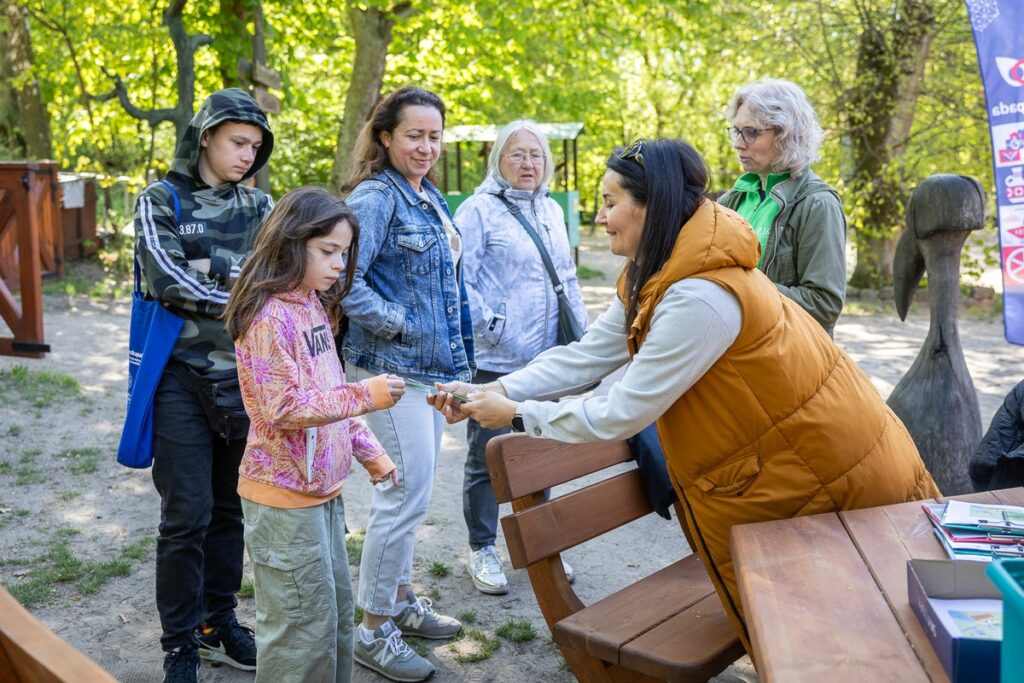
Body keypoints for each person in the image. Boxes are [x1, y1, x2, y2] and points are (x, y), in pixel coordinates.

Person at [430, 138, 939, 653]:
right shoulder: (662, 268)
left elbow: (622, 411)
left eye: (610, 202)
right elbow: (587, 355)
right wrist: (493, 388)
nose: (600, 216)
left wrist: (517, 415)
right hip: (801, 474)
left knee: (857, 646)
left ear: (654, 206)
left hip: (830, 479)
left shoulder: (700, 294)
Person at [222, 187, 404, 683]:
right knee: (299, 630)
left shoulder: (311, 307)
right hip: (282, 499)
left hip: (321, 492)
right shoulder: (268, 317)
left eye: (343, 254)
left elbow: (328, 393)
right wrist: (368, 394)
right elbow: (285, 407)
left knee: (333, 618)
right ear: (290, 243)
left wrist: (370, 453)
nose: (337, 265)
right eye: (327, 252)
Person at [133, 88, 273, 683]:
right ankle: (179, 642)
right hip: (178, 382)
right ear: (207, 136)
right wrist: (247, 296)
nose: (247, 154)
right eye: (238, 141)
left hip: (245, 382)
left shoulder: (264, 208)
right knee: (185, 516)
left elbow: (287, 280)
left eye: (256, 146)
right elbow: (166, 280)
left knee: (229, 511)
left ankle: (220, 623)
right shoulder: (158, 200)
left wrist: (219, 283)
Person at [338, 85, 473, 682]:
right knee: (402, 494)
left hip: (429, 370)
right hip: (387, 370)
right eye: (414, 134)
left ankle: (398, 601)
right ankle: (371, 631)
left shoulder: (428, 197)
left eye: (435, 136)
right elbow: (341, 276)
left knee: (414, 495)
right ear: (386, 135)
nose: (427, 146)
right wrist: (396, 322)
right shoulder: (374, 197)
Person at [453, 119, 588, 595]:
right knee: (487, 457)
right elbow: (458, 281)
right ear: (499, 161)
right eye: (517, 154)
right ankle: (482, 548)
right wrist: (493, 325)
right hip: (497, 360)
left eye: (536, 154)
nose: (528, 163)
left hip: (546, 359)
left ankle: (538, 544)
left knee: (539, 453)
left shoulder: (551, 209)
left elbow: (567, 277)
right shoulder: (478, 210)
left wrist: (582, 339)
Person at [717, 78, 847, 334]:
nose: (738, 143)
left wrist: (742, 287)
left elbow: (824, 305)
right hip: (734, 356)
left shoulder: (817, 204)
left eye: (751, 132)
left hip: (785, 361)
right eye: (737, 130)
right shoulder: (732, 200)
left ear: (787, 134)